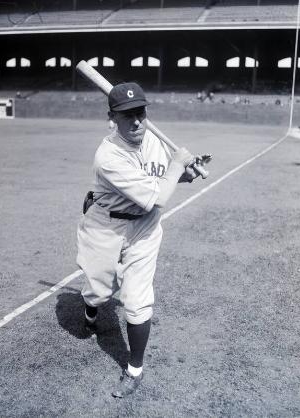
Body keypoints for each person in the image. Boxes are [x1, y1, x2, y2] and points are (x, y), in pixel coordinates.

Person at [76, 82, 209, 398]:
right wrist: (177, 165)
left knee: (136, 300)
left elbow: (169, 180)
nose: (136, 122)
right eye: (127, 115)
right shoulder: (107, 156)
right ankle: (91, 311)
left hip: (145, 230)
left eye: (141, 113)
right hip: (105, 225)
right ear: (112, 118)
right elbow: (156, 196)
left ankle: (134, 369)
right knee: (98, 290)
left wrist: (187, 171)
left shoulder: (154, 140)